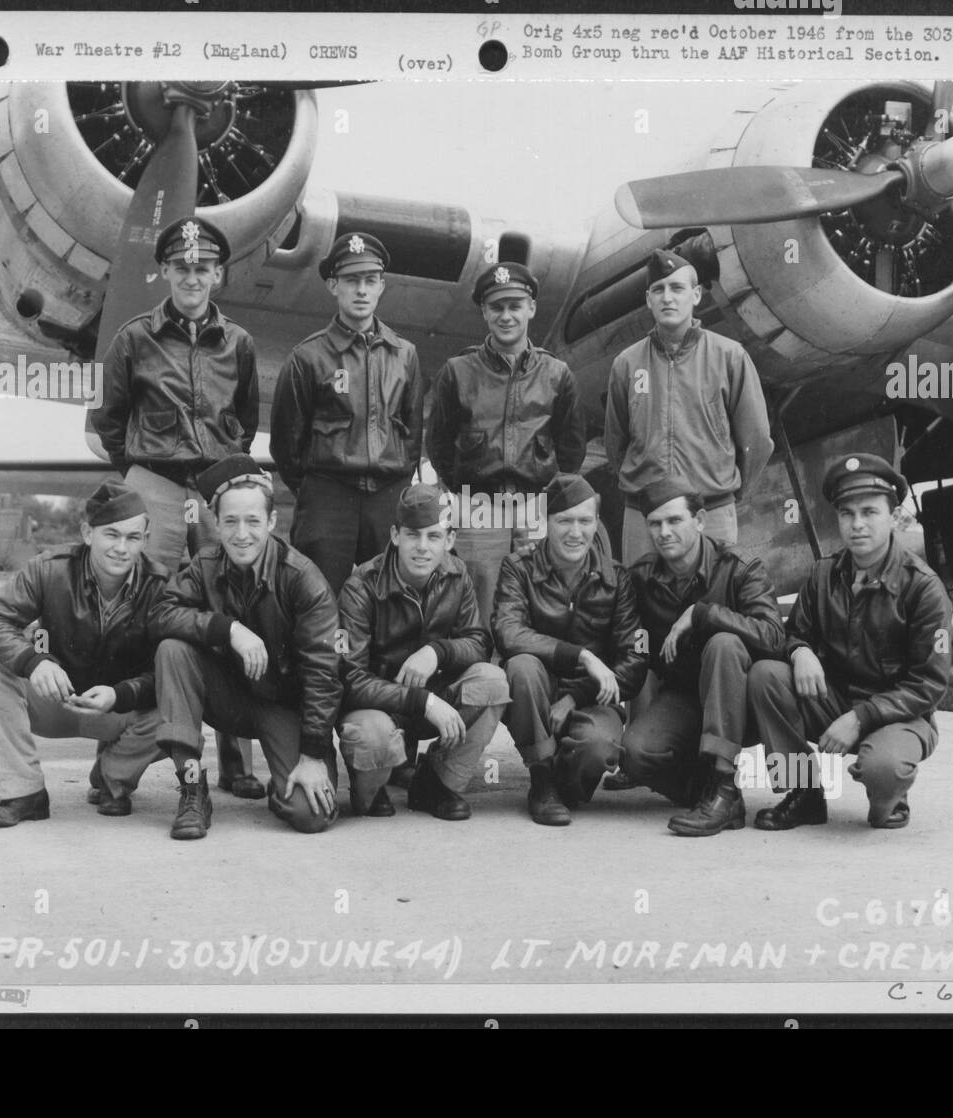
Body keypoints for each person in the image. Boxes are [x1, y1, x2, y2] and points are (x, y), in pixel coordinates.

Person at [90, 214, 265, 800]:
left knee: (230, 598)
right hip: (157, 486)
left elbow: (245, 423)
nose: (192, 277)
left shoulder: (237, 342)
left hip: (216, 487)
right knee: (142, 609)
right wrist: (143, 478)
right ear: (164, 270)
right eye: (182, 267)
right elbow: (107, 423)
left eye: (203, 268)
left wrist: (219, 479)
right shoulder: (134, 338)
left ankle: (235, 760)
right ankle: (116, 757)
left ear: (218, 274)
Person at [746, 454, 953, 831]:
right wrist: (799, 650)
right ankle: (803, 792)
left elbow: (930, 683)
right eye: (847, 514)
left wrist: (861, 718)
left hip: (899, 715)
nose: (857, 525)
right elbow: (792, 634)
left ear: (894, 517)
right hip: (835, 701)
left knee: (884, 770)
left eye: (870, 512)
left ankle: (890, 795)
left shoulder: (924, 589)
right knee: (766, 676)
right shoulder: (824, 574)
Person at [149, 455, 343, 839]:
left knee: (310, 816)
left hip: (282, 704)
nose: (242, 534)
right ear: (216, 524)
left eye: (253, 521)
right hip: (229, 697)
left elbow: (324, 671)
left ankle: (284, 779)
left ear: (272, 522)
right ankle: (191, 788)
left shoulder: (302, 577)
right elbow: (159, 615)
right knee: (172, 649)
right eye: (231, 522)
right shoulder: (205, 564)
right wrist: (227, 628)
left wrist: (313, 755)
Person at [0, 482, 169, 825]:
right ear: (88, 533)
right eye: (111, 535)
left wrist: (120, 694)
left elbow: (168, 668)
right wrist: (34, 660)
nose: (121, 548)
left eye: (133, 538)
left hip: (115, 711)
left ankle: (112, 776)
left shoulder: (161, 586)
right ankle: (23, 792)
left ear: (145, 541)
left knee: (182, 699)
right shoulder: (49, 568)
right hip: (54, 699)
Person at [620, 478, 786, 836]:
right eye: (654, 523)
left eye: (674, 521)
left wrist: (703, 614)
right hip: (685, 698)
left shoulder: (740, 568)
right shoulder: (641, 579)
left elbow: (774, 637)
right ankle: (717, 796)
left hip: (742, 702)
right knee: (636, 754)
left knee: (723, 643)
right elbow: (631, 647)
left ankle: (723, 783)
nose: (664, 532)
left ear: (699, 520)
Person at [336, 484, 510, 821]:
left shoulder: (457, 575)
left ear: (449, 540)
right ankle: (370, 785)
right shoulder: (362, 585)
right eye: (413, 535)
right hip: (377, 706)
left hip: (433, 699)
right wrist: (423, 701)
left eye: (434, 536)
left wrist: (437, 652)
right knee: (373, 742)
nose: (422, 547)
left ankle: (435, 782)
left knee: (493, 681)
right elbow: (350, 677)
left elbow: (479, 642)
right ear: (395, 535)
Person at [427, 261, 586, 625]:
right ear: (484, 311)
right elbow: (438, 443)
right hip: (480, 505)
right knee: (479, 605)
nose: (506, 316)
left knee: (542, 603)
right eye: (496, 307)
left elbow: (572, 448)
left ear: (531, 308)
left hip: (536, 505)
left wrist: (547, 501)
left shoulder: (557, 374)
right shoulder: (457, 371)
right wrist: (467, 490)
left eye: (515, 306)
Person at [270, 232, 424, 596]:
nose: (361, 290)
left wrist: (395, 482)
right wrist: (317, 488)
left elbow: (412, 435)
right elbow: (286, 443)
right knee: (316, 600)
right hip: (329, 495)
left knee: (391, 601)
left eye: (370, 281)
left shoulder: (405, 355)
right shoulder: (307, 357)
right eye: (352, 280)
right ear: (332, 285)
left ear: (381, 286)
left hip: (387, 495)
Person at [492, 474, 646, 825]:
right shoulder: (519, 568)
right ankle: (541, 777)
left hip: (590, 699)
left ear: (597, 523)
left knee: (596, 756)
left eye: (585, 521)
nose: (575, 532)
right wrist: (581, 655)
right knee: (521, 666)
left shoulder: (618, 578)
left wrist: (575, 697)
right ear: (545, 523)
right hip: (537, 694)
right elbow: (508, 632)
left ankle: (563, 773)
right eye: (564, 521)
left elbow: (635, 659)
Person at [604, 248, 773, 563]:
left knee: (713, 607)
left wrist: (725, 493)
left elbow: (757, 439)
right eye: (659, 290)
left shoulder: (730, 357)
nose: (668, 297)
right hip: (645, 517)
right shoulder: (626, 364)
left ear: (696, 295)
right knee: (641, 607)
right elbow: (615, 443)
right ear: (648, 299)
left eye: (677, 288)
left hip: (710, 512)